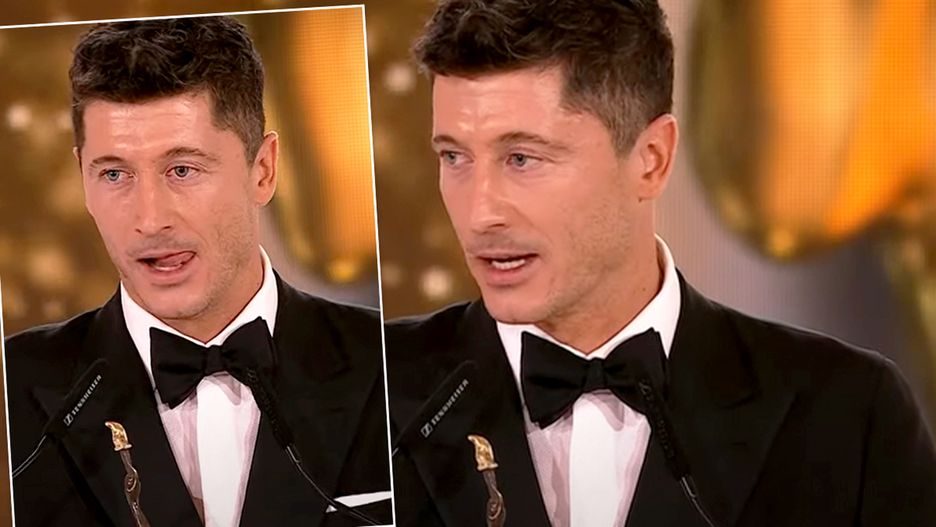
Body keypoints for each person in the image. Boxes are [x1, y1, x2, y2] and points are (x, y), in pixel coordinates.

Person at [385, 1, 936, 526]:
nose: (480, 213)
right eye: (454, 156)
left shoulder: (849, 413)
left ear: (652, 160)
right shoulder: (364, 396)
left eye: (522, 158)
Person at [5, 16, 391, 527]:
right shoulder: (13, 388)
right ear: (82, 177)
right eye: (114, 174)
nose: (149, 220)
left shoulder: (394, 365)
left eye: (182, 170)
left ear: (263, 170)